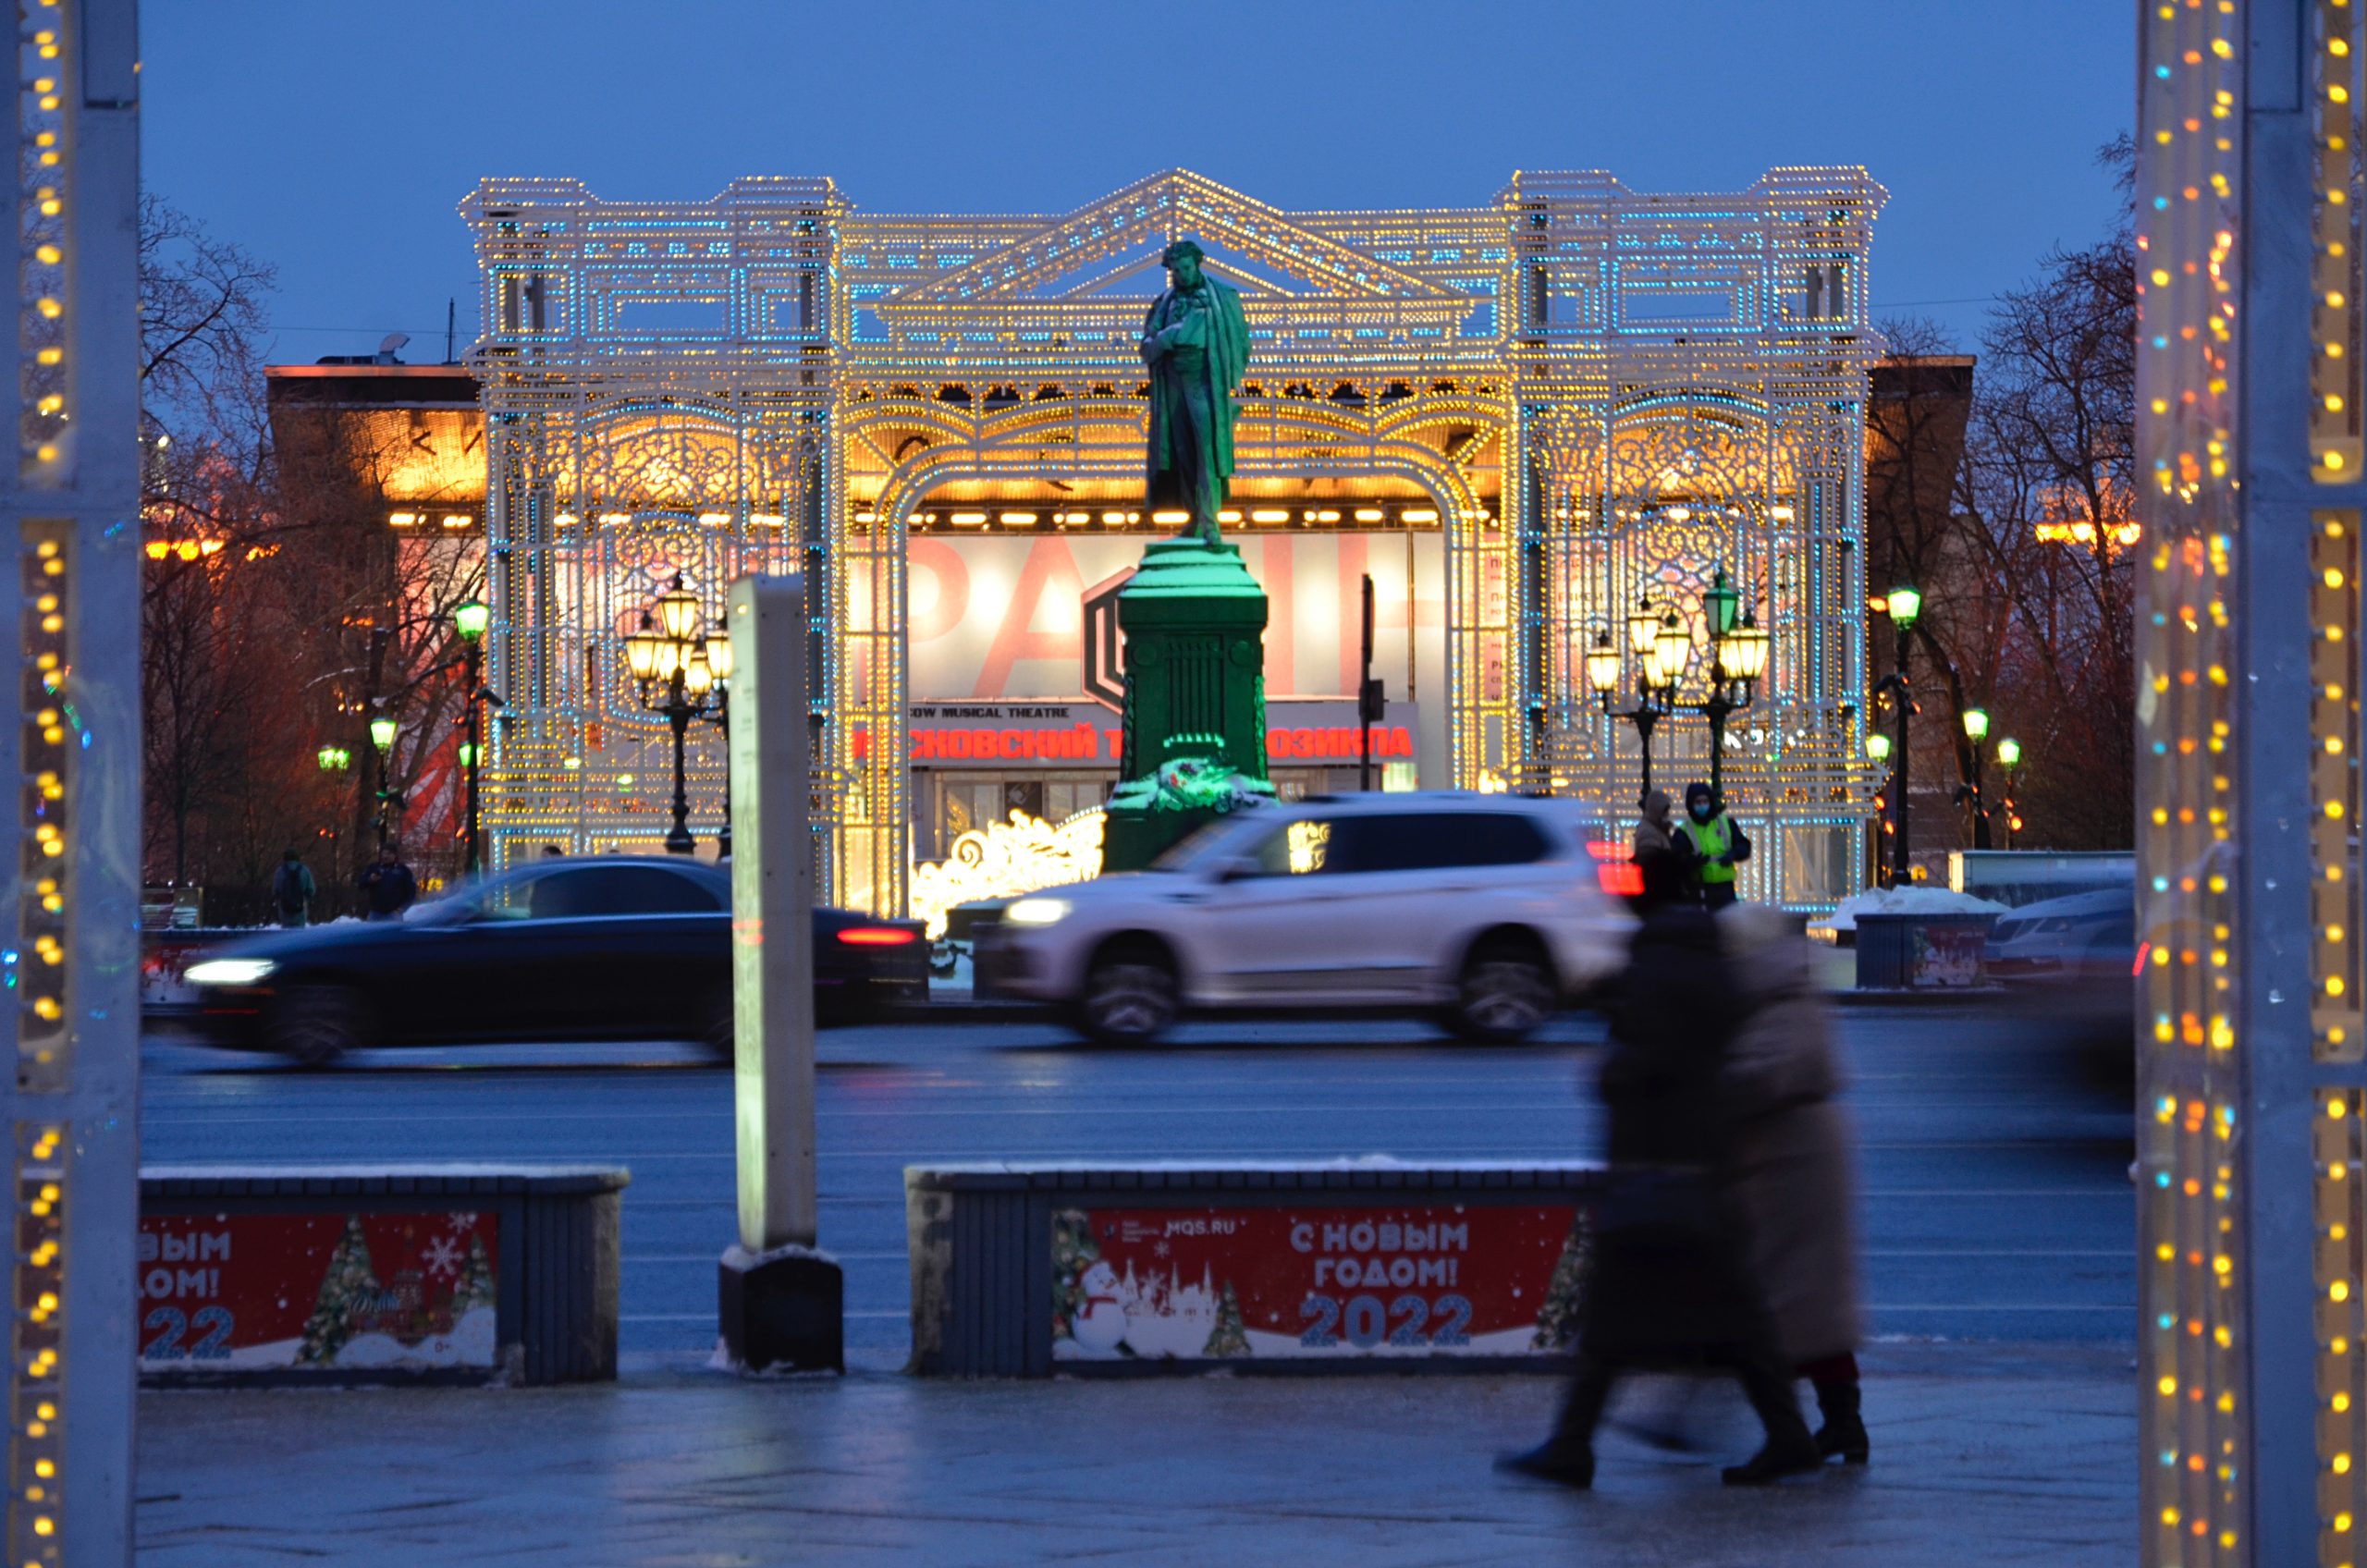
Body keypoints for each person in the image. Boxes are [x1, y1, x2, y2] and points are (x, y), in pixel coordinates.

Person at [1499, 852, 1820, 1489]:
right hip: (1706, 1163)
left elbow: (1645, 1064)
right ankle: (1786, 1435)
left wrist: (1610, 1069)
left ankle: (1571, 1446)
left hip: (1653, 1163)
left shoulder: (1655, 965)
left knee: (1613, 1317)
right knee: (1735, 1317)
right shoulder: (1710, 963)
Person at [1718, 900, 1869, 1464]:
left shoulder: (1776, 1000)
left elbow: (1760, 1076)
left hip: (1791, 1164)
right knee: (1811, 1309)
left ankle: (1790, 1437)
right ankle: (1842, 1426)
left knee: (1782, 1308)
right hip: (1795, 1159)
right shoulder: (1785, 991)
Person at [1675, 780, 1750, 909]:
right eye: (1698, 802)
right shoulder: (1684, 830)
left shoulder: (1726, 823)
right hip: (1700, 889)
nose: (1702, 806)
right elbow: (1676, 859)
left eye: (1705, 801)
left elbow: (1744, 846)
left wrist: (1733, 854)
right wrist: (1690, 862)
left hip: (1725, 888)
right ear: (1690, 805)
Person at [359, 843, 418, 921]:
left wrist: (401, 909)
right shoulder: (373, 867)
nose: (385, 856)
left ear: (395, 855)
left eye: (389, 854)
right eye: (383, 853)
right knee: (372, 932)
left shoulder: (403, 870)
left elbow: (412, 892)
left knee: (393, 932)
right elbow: (361, 884)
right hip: (375, 912)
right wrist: (370, 880)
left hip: (393, 914)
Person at [270, 847, 315, 928]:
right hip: (301, 907)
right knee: (299, 933)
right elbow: (311, 890)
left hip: (284, 908)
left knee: (286, 933)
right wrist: (305, 899)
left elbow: (275, 891)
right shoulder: (304, 870)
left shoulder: (279, 871)